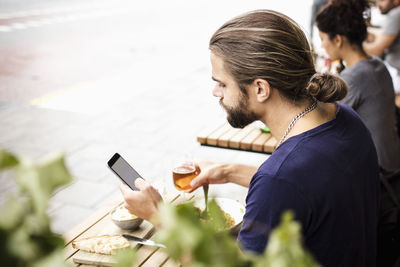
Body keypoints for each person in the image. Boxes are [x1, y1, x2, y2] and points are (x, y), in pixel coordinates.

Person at [120, 10, 379, 267]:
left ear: (260, 88)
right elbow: (309, 187)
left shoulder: (279, 179)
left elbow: (286, 183)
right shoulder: (343, 116)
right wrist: (230, 171)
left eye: (222, 83)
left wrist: (159, 217)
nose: (215, 92)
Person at [315, 0, 400, 172]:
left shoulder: (354, 77)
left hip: (378, 176)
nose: (323, 45)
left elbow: (320, 125)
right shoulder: (377, 65)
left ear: (338, 40)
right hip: (392, 163)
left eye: (323, 39)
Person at [364, 0, 400, 94]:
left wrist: (354, 43)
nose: (378, 4)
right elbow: (382, 39)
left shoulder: (396, 14)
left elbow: (376, 50)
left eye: (382, 0)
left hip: (396, 72)